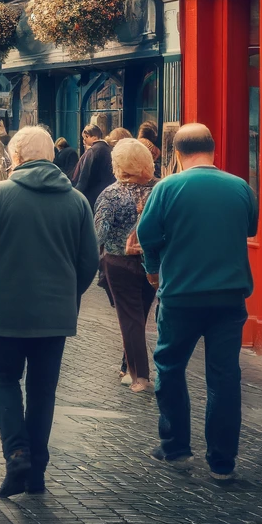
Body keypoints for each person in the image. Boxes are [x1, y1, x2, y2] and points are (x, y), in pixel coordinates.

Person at [0, 126, 99, 498]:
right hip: (55, 317)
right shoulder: (77, 201)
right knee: (42, 391)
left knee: (2, 379)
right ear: (51, 157)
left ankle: (17, 451)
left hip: (6, 312)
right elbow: (88, 263)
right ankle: (37, 472)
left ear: (15, 158)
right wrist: (67, 295)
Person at [137, 123, 258, 480]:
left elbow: (147, 235)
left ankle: (175, 446)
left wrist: (153, 270)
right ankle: (222, 461)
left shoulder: (167, 187)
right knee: (224, 377)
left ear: (176, 153)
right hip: (229, 297)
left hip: (181, 296)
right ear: (213, 149)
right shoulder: (240, 187)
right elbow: (250, 228)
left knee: (171, 368)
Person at [94, 138, 158, 393]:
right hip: (151, 263)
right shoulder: (160, 189)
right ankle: (127, 365)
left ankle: (139, 376)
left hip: (119, 263)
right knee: (140, 316)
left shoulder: (110, 195)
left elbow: (98, 234)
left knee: (131, 318)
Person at [73, 123, 115, 204]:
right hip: (108, 196)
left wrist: (75, 195)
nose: (84, 140)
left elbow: (84, 179)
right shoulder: (110, 149)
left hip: (92, 198)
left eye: (86, 137)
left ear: (93, 137)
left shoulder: (92, 151)